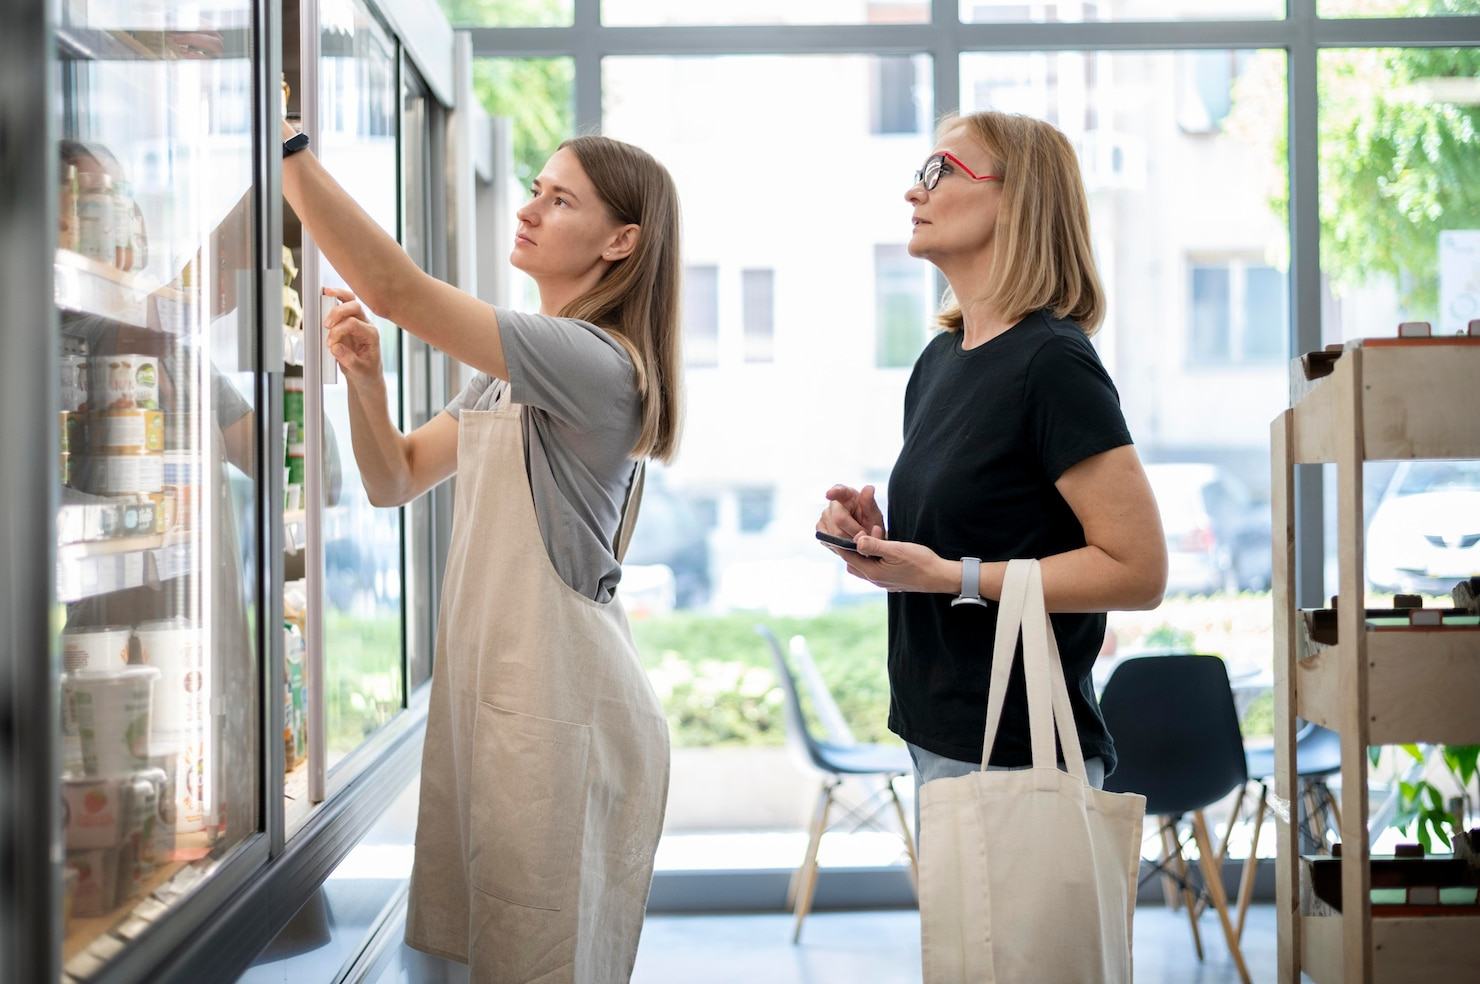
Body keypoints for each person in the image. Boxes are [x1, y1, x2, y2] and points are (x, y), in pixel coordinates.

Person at [280, 121, 682, 982]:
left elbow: (393, 289)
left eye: (559, 198)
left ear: (622, 242)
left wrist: (287, 151)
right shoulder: (508, 373)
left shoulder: (594, 359)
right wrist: (366, 384)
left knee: (535, 956)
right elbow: (395, 477)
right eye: (535, 189)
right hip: (498, 706)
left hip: (555, 713)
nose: (531, 209)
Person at [816, 111, 1168, 827]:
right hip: (937, 734)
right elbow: (973, 535)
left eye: (940, 172)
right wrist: (874, 536)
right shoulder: (940, 361)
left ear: (1018, 198)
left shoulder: (1052, 363)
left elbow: (1138, 570)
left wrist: (953, 576)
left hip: (1021, 752)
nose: (914, 193)